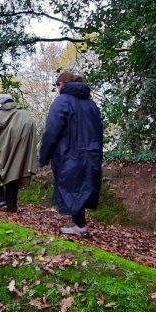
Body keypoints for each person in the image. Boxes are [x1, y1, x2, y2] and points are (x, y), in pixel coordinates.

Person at [38, 72, 103, 235]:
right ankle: (80, 225)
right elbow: (99, 130)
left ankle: (80, 226)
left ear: (63, 84)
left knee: (71, 188)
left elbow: (52, 131)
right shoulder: (91, 104)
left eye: (57, 85)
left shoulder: (62, 101)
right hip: (91, 153)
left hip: (69, 154)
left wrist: (43, 157)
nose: (57, 89)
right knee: (81, 188)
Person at [0, 94, 38, 212]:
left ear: (0, 104)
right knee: (13, 175)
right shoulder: (25, 114)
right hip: (21, 153)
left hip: (2, 150)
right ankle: (12, 206)